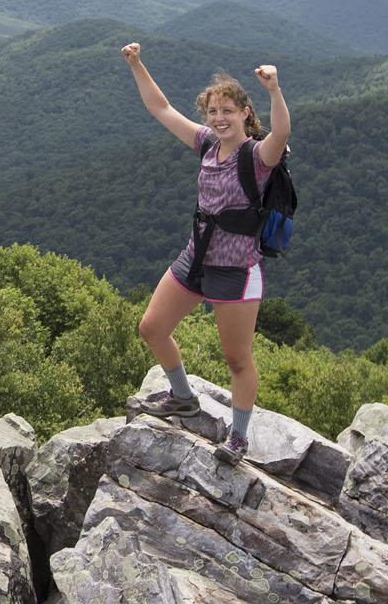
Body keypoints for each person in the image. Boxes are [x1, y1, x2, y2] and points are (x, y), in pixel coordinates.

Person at [118, 42, 290, 462]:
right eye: (213, 112)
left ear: (245, 114)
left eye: (228, 111)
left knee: (237, 360)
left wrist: (274, 90)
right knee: (152, 328)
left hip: (236, 268)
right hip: (196, 257)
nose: (219, 118)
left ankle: (239, 436)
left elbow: (282, 133)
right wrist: (137, 63)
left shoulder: (257, 156)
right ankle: (182, 398)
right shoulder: (208, 145)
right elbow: (161, 108)